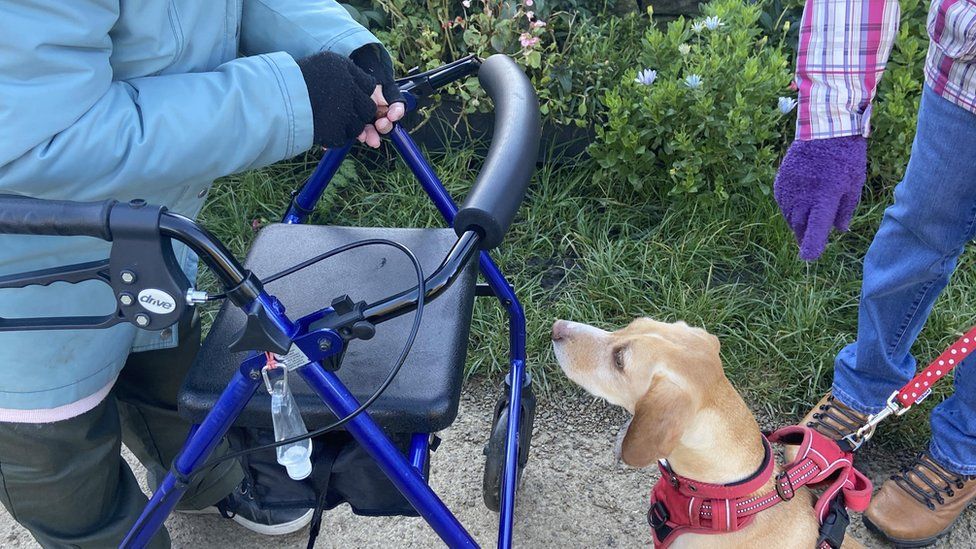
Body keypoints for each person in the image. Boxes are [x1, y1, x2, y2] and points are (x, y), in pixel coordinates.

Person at [0, 1, 404, 547]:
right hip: (28, 295)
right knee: (69, 486)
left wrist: (342, 47)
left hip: (146, 236)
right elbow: (37, 139)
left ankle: (208, 481)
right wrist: (287, 97)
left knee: (175, 386)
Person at [773, 0, 976, 544]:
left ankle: (966, 446)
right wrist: (833, 129)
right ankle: (864, 387)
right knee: (917, 229)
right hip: (966, 79)